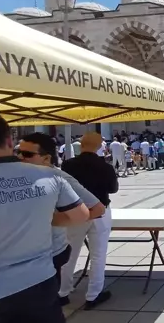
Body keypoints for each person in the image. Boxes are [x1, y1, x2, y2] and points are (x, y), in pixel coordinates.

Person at [0, 113, 90, 323]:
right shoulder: (49, 175)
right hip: (39, 283)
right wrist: (44, 219)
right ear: (10, 140)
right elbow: (81, 215)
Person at [17, 133, 105, 285]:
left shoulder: (58, 177)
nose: (20, 157)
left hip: (49, 253)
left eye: (27, 154)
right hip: (23, 253)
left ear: (46, 158)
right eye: (17, 152)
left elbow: (98, 208)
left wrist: (53, 220)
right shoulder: (19, 175)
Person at [59, 133, 118, 310]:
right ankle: (93, 295)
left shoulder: (68, 164)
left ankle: (62, 292)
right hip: (100, 212)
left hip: (76, 212)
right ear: (99, 145)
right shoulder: (105, 166)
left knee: (69, 253)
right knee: (98, 255)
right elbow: (113, 189)